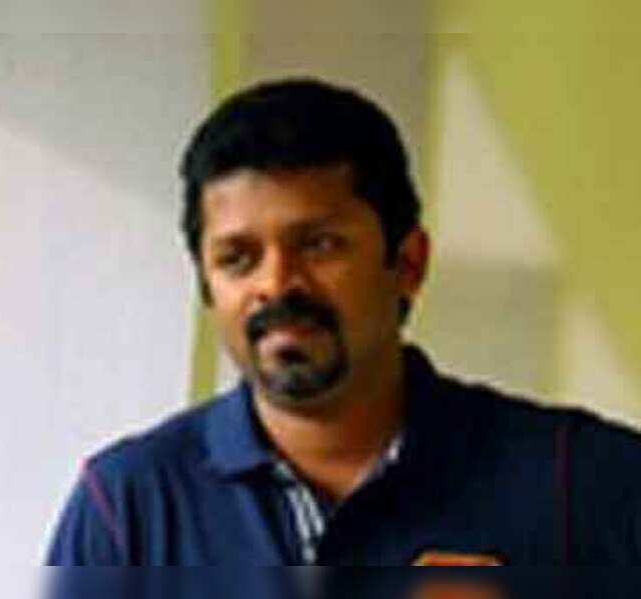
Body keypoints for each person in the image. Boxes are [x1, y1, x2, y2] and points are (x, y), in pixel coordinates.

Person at [45, 78, 641, 565]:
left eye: (320, 245)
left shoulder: (587, 481)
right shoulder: (127, 507)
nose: (277, 284)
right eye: (238, 259)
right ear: (206, 285)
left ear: (407, 263)